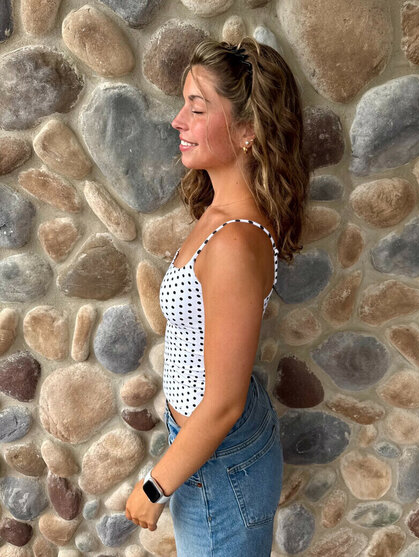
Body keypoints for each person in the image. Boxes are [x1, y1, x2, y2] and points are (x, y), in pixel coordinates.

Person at [125, 37, 309, 556]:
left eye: (197, 108)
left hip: (221, 461)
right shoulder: (219, 213)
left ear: (248, 130)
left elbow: (224, 402)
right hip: (206, 448)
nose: (177, 121)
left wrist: (155, 486)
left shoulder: (233, 243)